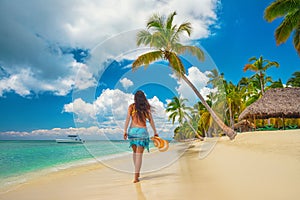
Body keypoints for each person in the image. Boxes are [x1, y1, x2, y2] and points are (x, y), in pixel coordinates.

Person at [123, 90, 158, 183]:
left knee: (135, 153)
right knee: (139, 155)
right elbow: (151, 121)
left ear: (135, 98)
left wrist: (125, 131)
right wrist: (155, 132)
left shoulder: (131, 106)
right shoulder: (146, 108)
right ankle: (135, 177)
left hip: (132, 131)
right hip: (142, 131)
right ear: (143, 98)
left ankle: (136, 174)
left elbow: (127, 119)